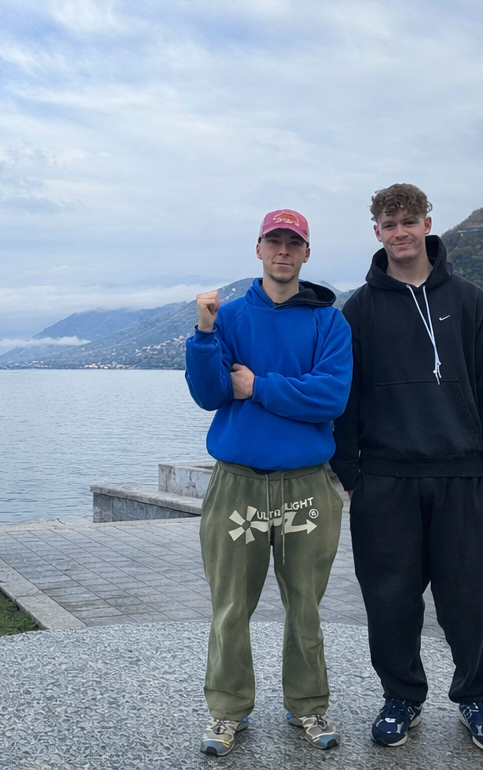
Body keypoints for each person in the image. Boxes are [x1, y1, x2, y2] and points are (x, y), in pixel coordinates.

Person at [331, 183, 483, 752]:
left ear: (427, 224)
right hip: (386, 481)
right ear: (377, 232)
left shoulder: (469, 300)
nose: (400, 232)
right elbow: (345, 400)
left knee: (471, 598)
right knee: (389, 599)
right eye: (389, 224)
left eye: (409, 221)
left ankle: (478, 699)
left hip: (463, 479)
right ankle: (402, 698)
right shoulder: (358, 309)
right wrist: (355, 478)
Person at [185, 208, 353, 756]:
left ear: (306, 253)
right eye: (274, 241)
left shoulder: (328, 321)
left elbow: (331, 397)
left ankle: (308, 705)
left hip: (306, 484)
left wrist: (256, 385)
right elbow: (210, 393)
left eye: (293, 243)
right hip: (238, 485)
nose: (283, 251)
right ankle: (227, 711)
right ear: (258, 248)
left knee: (305, 602)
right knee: (231, 605)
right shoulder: (230, 318)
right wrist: (205, 332)